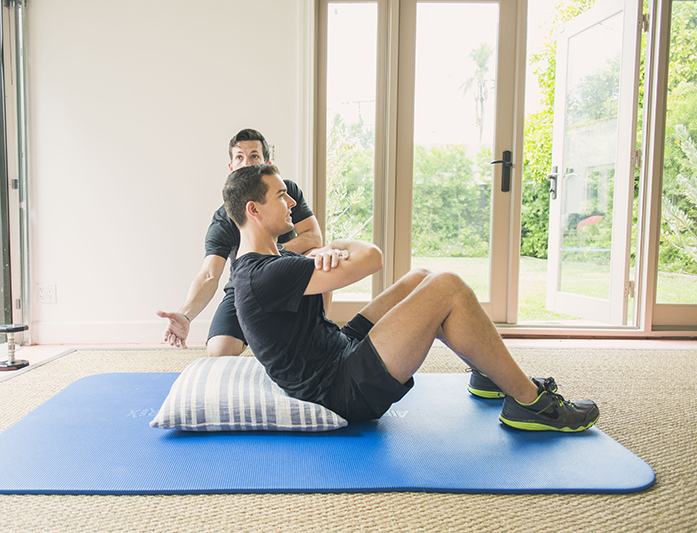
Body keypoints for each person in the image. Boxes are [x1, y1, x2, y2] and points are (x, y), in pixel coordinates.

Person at [223, 164, 600, 432]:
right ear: (253, 210)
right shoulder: (264, 274)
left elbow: (315, 312)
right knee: (447, 286)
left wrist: (321, 258)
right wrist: (332, 246)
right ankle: (533, 404)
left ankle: (489, 375)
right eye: (281, 195)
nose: (292, 202)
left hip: (336, 349)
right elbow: (372, 257)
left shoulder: (274, 261)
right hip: (340, 388)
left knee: (422, 278)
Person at [157, 129, 322, 357]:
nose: (247, 163)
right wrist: (185, 315)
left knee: (318, 255)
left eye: (254, 156)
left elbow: (314, 238)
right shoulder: (224, 218)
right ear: (231, 167)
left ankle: (316, 335)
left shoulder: (287, 192)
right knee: (219, 351)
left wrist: (271, 259)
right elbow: (208, 274)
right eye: (239, 157)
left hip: (288, 278)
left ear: (267, 163)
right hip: (247, 287)